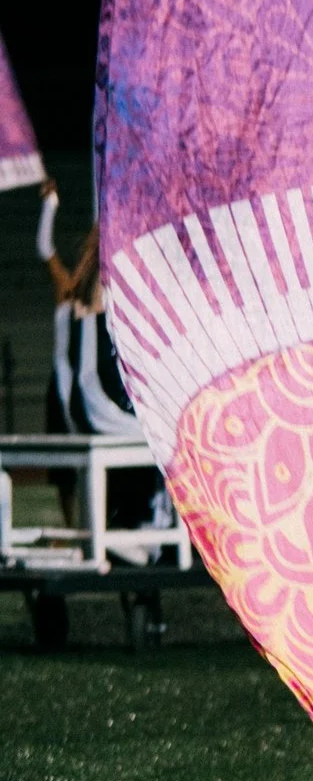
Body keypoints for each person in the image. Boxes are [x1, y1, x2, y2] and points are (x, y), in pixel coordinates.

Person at [36, 179, 170, 537]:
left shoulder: (74, 290)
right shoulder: (94, 286)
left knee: (71, 471)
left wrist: (51, 206)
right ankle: (143, 523)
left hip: (69, 390)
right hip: (86, 395)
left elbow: (45, 249)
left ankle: (103, 522)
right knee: (160, 439)